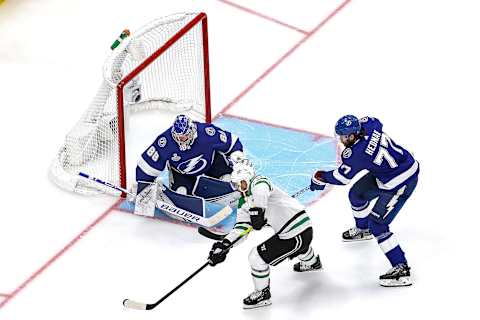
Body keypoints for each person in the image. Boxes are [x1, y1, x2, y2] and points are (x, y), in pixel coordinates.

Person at [310, 115, 419, 287]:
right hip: (390, 170)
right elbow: (376, 122)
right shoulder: (370, 125)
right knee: (357, 194)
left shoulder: (356, 154)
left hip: (401, 182)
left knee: (378, 225)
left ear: (353, 135)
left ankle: (401, 268)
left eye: (344, 136)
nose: (341, 139)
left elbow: (342, 178)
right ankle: (363, 229)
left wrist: (320, 177)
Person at [208, 160, 322, 309]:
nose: (238, 188)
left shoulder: (259, 182)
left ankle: (262, 294)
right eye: (235, 185)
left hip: (296, 231)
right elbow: (241, 227)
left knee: (255, 257)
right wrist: (225, 245)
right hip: (298, 233)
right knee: (295, 245)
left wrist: (258, 210)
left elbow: (261, 190)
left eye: (240, 183)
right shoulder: (244, 202)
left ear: (247, 178)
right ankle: (312, 262)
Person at [135, 114, 245, 195]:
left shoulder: (207, 132)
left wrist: (239, 161)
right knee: (181, 192)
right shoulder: (165, 142)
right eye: (178, 137)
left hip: (211, 163)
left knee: (227, 179)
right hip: (182, 173)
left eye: (184, 137)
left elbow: (232, 143)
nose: (181, 140)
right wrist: (143, 188)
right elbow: (147, 166)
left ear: (191, 131)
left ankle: (226, 182)